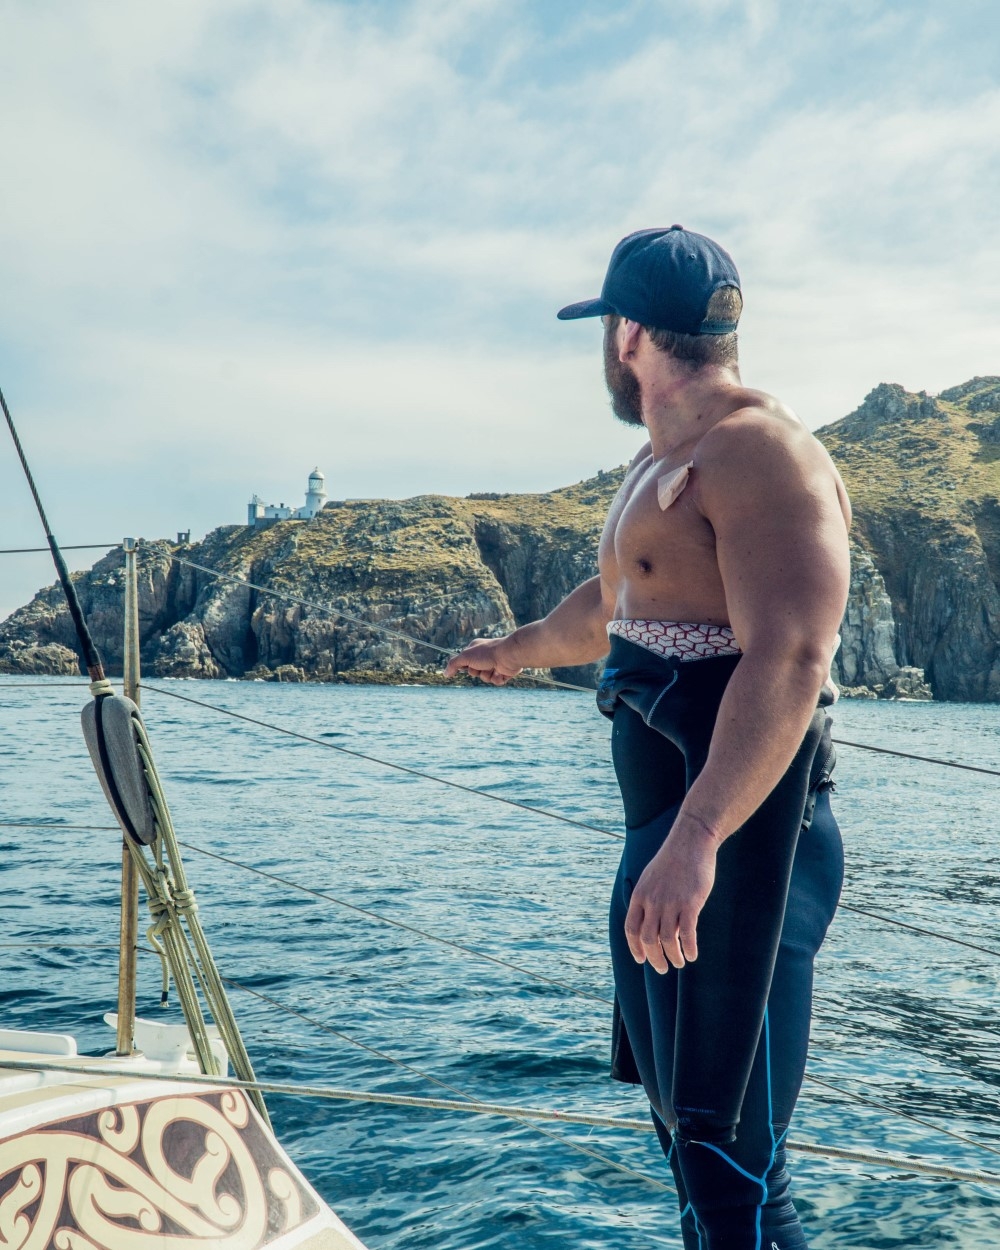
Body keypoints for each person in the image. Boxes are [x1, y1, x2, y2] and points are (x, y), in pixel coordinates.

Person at [444, 225, 851, 1249]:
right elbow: (618, 603)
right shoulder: (660, 460)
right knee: (689, 1143)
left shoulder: (764, 455)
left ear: (626, 333)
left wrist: (698, 838)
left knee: (732, 1165)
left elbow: (790, 658)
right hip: (670, 835)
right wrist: (517, 648)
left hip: (743, 846)